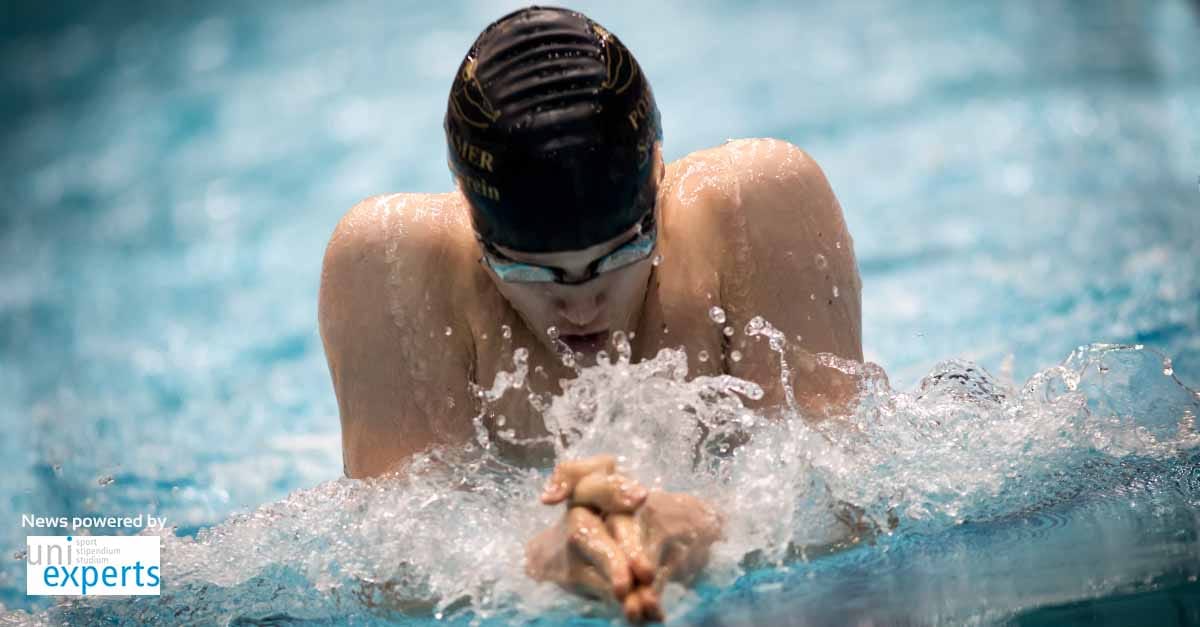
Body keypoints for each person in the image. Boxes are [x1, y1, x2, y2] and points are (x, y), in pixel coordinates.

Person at [317, 6, 863, 622]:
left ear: (659, 172)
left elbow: (852, 508)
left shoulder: (755, 210)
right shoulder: (390, 264)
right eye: (531, 271)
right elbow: (392, 583)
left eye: (621, 254)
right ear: (469, 215)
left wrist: (711, 526)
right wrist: (539, 562)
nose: (580, 304)